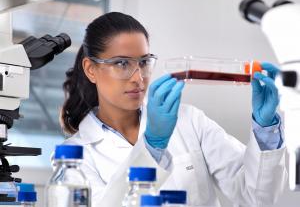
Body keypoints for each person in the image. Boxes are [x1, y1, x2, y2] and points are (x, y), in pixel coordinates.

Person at [60, 12, 286, 207]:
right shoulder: (76, 155)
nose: (138, 78)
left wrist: (265, 129)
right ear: (91, 69)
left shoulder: (189, 121)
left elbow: (257, 198)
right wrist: (152, 146)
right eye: (122, 63)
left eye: (144, 62)